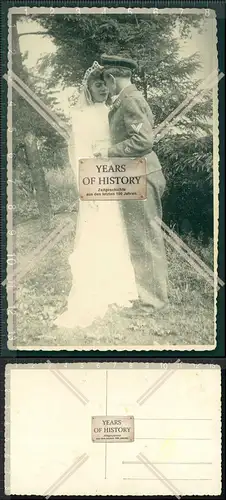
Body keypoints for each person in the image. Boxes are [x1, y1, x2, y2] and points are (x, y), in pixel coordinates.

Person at [54, 61, 138, 330]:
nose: (102, 88)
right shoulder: (80, 115)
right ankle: (95, 289)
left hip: (115, 177)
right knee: (97, 230)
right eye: (97, 84)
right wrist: (89, 188)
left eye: (105, 83)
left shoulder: (112, 110)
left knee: (116, 229)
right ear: (88, 88)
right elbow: (80, 154)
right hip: (94, 178)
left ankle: (117, 288)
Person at [98, 54, 168, 317]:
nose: (106, 87)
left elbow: (143, 141)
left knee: (146, 239)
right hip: (138, 175)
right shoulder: (128, 100)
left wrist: (109, 151)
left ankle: (153, 303)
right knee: (141, 238)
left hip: (142, 175)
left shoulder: (130, 100)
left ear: (112, 77)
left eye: (107, 81)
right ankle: (149, 298)